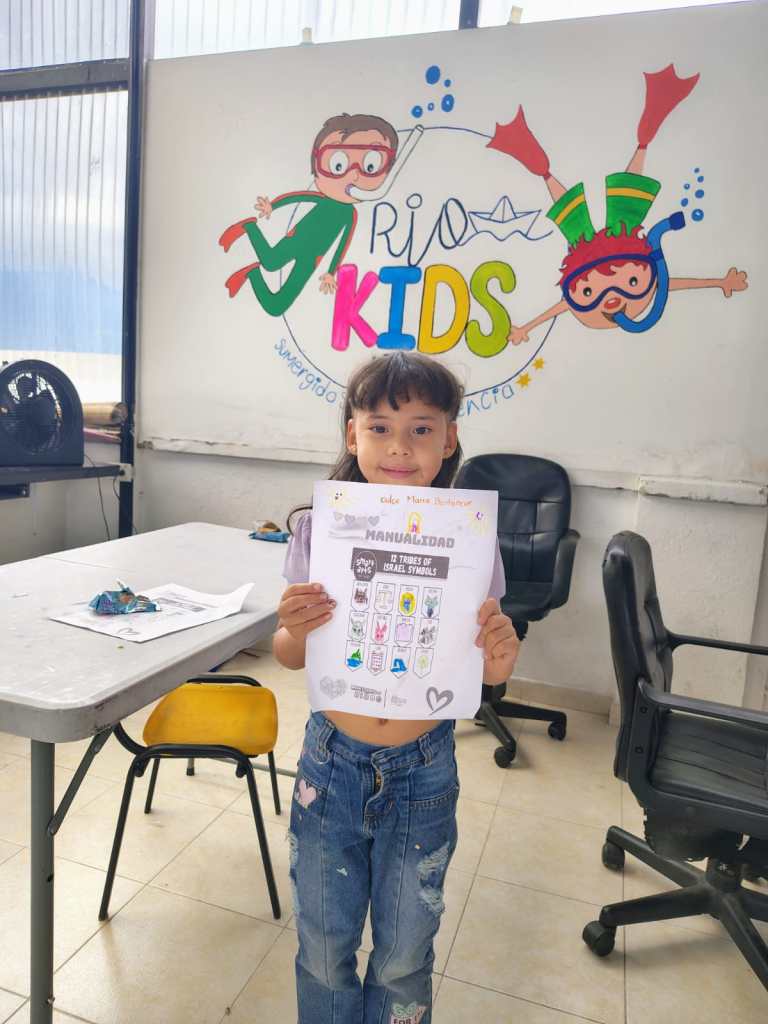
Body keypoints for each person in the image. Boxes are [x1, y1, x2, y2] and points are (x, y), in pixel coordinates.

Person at [274, 351, 520, 1024]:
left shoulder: (471, 538)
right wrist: (293, 627)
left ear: (449, 439)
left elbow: (487, 667)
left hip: (423, 770)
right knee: (323, 949)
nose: (399, 447)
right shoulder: (319, 529)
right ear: (352, 436)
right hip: (331, 764)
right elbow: (289, 656)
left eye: (421, 429)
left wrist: (500, 656)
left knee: (404, 956)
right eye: (379, 427)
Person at [486, 65, 748, 339]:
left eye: (632, 282)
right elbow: (664, 285)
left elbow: (665, 283)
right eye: (588, 292)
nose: (612, 298)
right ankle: (552, 164)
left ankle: (640, 135)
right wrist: (720, 282)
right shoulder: (627, 290)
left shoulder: (649, 284)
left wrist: (720, 282)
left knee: (573, 195)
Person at [219, 112, 399, 316]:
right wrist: (272, 206)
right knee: (269, 262)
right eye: (338, 165)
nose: (354, 175)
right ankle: (249, 226)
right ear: (316, 162)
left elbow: (342, 244)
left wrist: (331, 272)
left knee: (277, 307)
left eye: (370, 166)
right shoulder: (323, 199)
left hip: (312, 259)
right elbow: (298, 197)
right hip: (295, 240)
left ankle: (252, 273)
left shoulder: (350, 214)